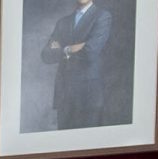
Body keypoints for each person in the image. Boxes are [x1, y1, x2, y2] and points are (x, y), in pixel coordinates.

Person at [42, 0, 115, 129]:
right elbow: (46, 55)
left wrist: (61, 49)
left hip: (88, 95)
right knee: (65, 139)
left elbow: (90, 51)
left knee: (89, 139)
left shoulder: (102, 16)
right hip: (64, 95)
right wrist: (69, 49)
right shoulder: (63, 22)